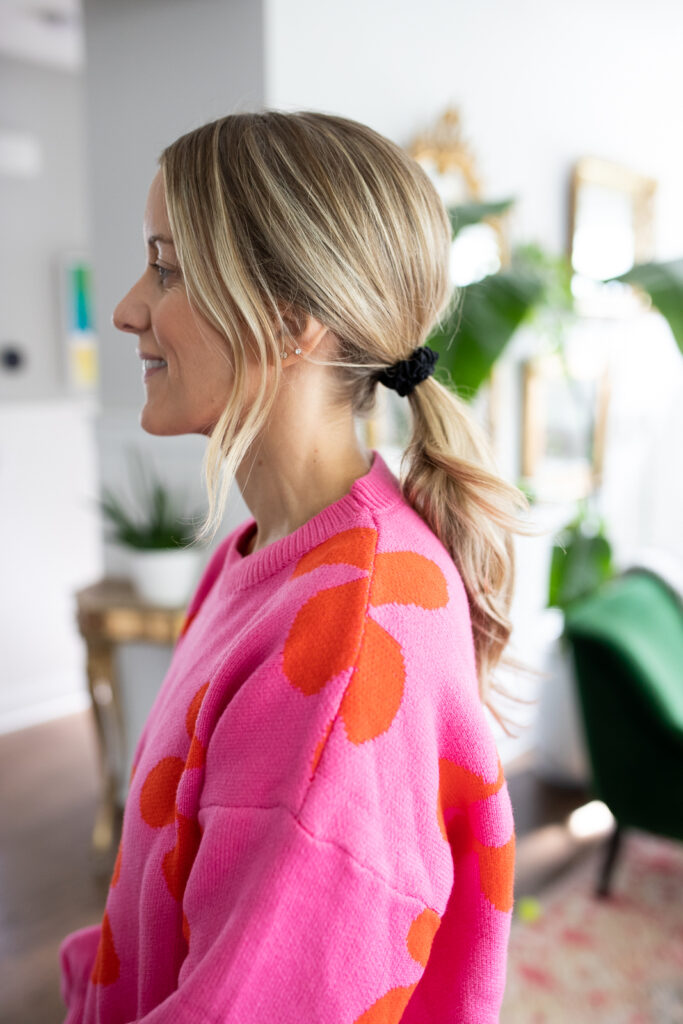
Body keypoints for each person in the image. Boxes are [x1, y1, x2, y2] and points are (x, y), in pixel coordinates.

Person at [59, 110, 535, 1023]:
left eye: (166, 265)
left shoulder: (340, 651)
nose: (127, 308)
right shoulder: (267, 552)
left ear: (290, 320)